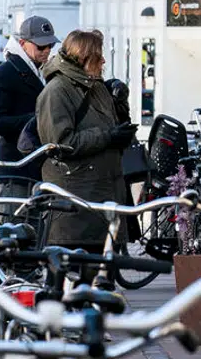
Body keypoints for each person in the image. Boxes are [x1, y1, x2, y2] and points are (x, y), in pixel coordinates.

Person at [35, 29, 135, 254]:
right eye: (98, 56)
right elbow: (59, 143)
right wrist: (108, 136)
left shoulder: (94, 84)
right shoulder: (57, 91)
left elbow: (112, 123)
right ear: (84, 57)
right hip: (77, 203)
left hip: (101, 196)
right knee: (80, 279)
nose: (103, 61)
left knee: (103, 279)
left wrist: (121, 104)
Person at [0, 15, 59, 182]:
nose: (47, 50)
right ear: (22, 44)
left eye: (50, 45)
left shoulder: (44, 71)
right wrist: (36, 120)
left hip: (39, 167)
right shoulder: (2, 73)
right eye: (41, 46)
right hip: (17, 169)